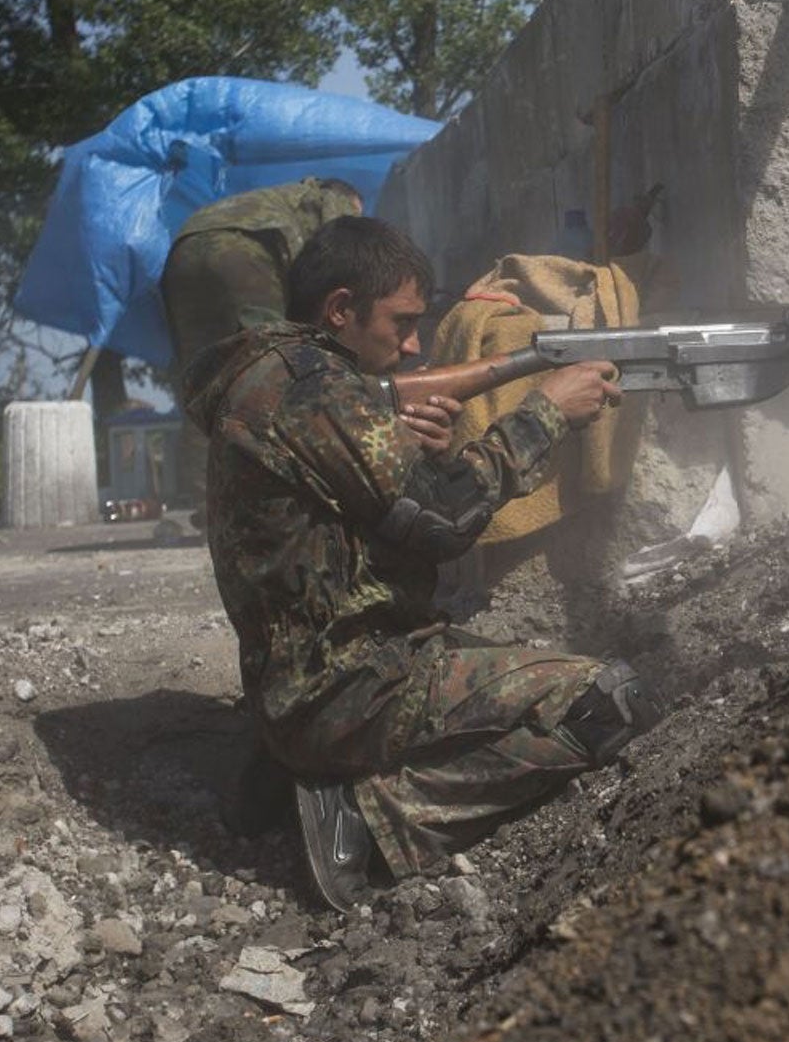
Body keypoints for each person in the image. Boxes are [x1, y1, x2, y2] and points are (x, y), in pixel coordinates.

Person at [179, 215, 662, 909]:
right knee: (606, 702)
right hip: (346, 687)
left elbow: (377, 520)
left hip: (309, 681)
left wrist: (428, 455)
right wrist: (545, 415)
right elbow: (444, 522)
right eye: (401, 324)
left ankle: (295, 777)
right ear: (340, 309)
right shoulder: (316, 392)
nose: (412, 349)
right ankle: (371, 822)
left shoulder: (278, 380)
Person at [161, 176, 365, 515]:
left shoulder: (275, 197)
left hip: (183, 251)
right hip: (242, 255)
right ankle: (257, 490)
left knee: (203, 377)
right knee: (268, 365)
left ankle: (201, 499)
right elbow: (344, 254)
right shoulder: (332, 197)